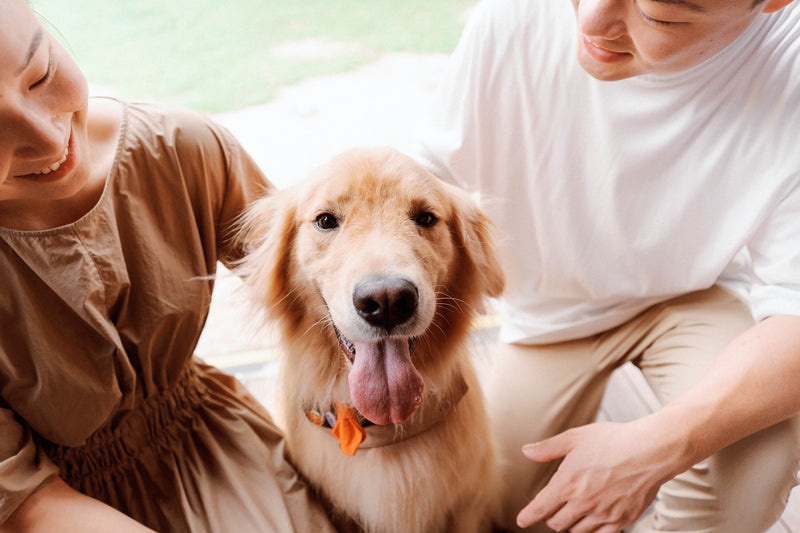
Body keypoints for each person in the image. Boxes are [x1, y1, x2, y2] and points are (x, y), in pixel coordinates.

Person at [408, 0, 800, 531]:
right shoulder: (516, 15)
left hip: (691, 294)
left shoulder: (789, 60)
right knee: (487, 507)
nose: (591, 21)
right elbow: (429, 178)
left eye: (658, 16)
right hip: (547, 315)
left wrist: (654, 447)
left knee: (751, 468)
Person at [0, 1, 337, 531]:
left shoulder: (181, 149)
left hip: (207, 451)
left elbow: (316, 295)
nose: (47, 138)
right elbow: (24, 501)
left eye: (40, 74)